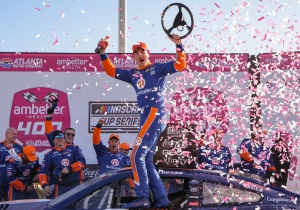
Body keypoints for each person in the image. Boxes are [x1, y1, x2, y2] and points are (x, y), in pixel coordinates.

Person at [97, 33, 186, 208]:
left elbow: (181, 64)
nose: (140, 54)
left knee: (136, 155)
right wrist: (103, 54)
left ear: (148, 52)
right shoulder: (133, 74)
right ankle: (161, 199)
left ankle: (143, 197)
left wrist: (179, 45)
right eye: (136, 52)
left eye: (142, 51)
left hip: (154, 115)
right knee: (145, 160)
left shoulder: (158, 69)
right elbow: (111, 71)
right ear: (133, 56)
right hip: (145, 118)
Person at [39, 130, 86, 198]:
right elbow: (43, 172)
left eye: (62, 136)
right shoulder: (49, 155)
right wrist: (44, 186)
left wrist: (70, 168)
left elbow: (82, 162)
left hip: (76, 185)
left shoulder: (74, 149)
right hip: (61, 188)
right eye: (57, 137)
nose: (60, 138)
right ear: (53, 140)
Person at [0, 128, 23, 201]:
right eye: (13, 134)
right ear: (7, 134)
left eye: (16, 134)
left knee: (9, 205)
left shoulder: (19, 147)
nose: (15, 136)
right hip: (1, 180)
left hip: (13, 183)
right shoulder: (0, 146)